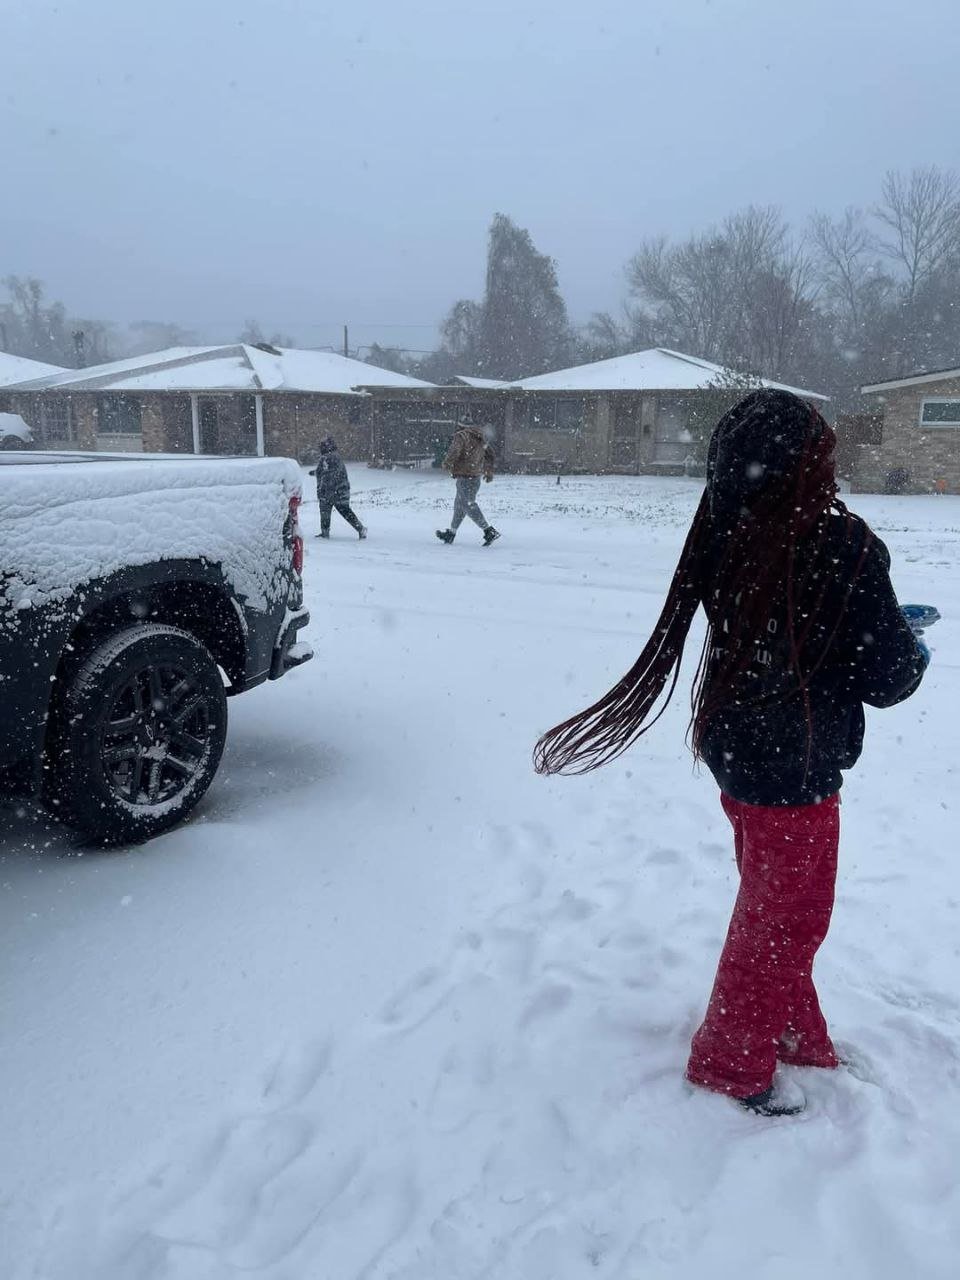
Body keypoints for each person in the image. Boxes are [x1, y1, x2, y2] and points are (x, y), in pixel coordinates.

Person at [534, 389, 928, 1118]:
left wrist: (858, 622)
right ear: (804, 464)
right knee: (785, 919)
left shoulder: (728, 524)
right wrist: (905, 637)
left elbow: (784, 629)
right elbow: (889, 678)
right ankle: (731, 1062)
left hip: (739, 749)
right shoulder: (839, 544)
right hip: (794, 766)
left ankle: (788, 1027)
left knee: (779, 908)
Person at [436, 415, 500, 546]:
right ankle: (451, 533)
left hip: (465, 476)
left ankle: (488, 530)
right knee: (460, 505)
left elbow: (454, 451)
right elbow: (491, 455)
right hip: (474, 476)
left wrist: (447, 463)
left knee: (468, 505)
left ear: (460, 425)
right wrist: (488, 470)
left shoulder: (461, 436)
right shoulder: (481, 437)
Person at [312, 436, 366, 540]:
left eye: (322, 446)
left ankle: (326, 532)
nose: (321, 448)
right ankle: (360, 529)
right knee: (340, 511)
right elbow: (324, 471)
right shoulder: (332, 457)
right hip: (337, 491)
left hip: (334, 492)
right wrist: (315, 473)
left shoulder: (329, 457)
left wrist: (324, 488)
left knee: (332, 511)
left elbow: (328, 474)